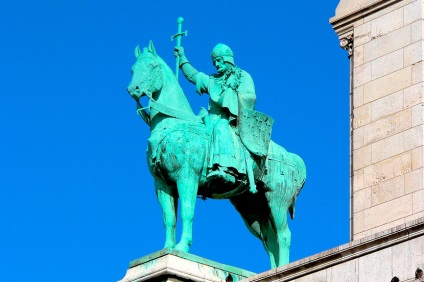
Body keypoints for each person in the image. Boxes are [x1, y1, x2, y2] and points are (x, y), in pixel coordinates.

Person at [174, 43, 257, 191]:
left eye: (219, 61)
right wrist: (182, 58)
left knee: (220, 128)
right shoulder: (213, 80)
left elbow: (250, 98)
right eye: (214, 62)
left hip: (232, 120)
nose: (216, 65)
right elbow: (194, 76)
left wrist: (230, 95)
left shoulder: (243, 76)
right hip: (211, 117)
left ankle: (226, 169)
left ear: (228, 59)